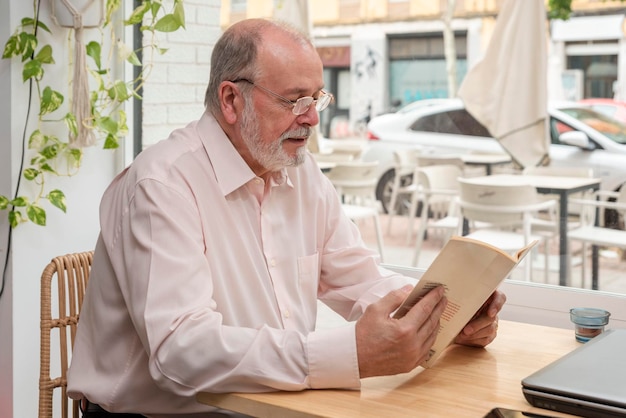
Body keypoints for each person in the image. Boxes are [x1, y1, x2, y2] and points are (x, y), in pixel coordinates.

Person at [67, 18, 505, 417]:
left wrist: (443, 314)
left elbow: (358, 278)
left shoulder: (300, 172)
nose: (312, 118)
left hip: (269, 406)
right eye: (295, 100)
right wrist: (349, 353)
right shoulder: (162, 185)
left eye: (316, 98)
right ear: (231, 99)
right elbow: (181, 351)